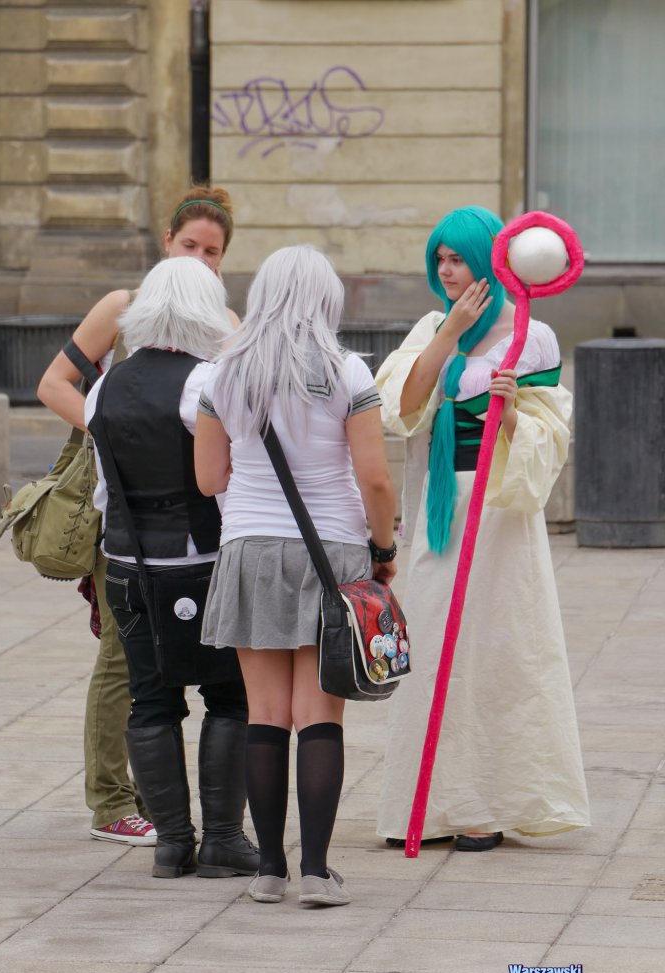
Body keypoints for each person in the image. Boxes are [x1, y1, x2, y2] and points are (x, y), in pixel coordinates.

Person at [375, 206, 590, 852]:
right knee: (437, 651)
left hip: (497, 509)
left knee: (497, 650)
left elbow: (554, 432)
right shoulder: (431, 328)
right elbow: (404, 408)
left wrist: (513, 409)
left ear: (490, 261)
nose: (446, 270)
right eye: (438, 259)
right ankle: (430, 802)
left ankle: (487, 806)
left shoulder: (534, 338)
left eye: (458, 258)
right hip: (443, 510)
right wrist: (451, 334)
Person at [195, 245, 397, 906]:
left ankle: (267, 873)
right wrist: (384, 546)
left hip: (250, 548)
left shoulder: (221, 376)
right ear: (326, 299)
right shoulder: (347, 371)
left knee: (266, 713)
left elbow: (208, 479)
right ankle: (315, 871)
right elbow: (373, 477)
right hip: (329, 552)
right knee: (319, 715)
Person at [36, 186, 238, 845]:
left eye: (214, 252)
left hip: (198, 517)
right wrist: (111, 429)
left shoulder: (222, 319)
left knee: (187, 664)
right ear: (166, 243)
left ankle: (170, 813)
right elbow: (53, 383)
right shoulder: (124, 307)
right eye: (190, 246)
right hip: (122, 500)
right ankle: (109, 800)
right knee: (124, 659)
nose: (201, 260)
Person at [85, 255, 259, 879]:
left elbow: (104, 488)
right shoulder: (205, 384)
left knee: (150, 702)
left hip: (126, 563)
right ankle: (221, 841)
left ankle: (170, 845)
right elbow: (228, 477)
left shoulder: (105, 385)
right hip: (200, 561)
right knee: (228, 696)